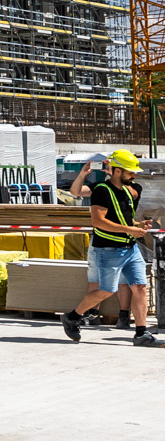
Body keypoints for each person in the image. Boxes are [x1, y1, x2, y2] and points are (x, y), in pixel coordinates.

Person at [62, 148, 158, 347]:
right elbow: (98, 221)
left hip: (130, 248)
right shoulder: (101, 191)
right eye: (130, 172)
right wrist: (129, 229)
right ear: (117, 171)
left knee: (140, 287)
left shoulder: (131, 191)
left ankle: (141, 333)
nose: (133, 176)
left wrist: (137, 226)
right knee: (106, 290)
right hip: (108, 249)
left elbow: (125, 218)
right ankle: (72, 316)